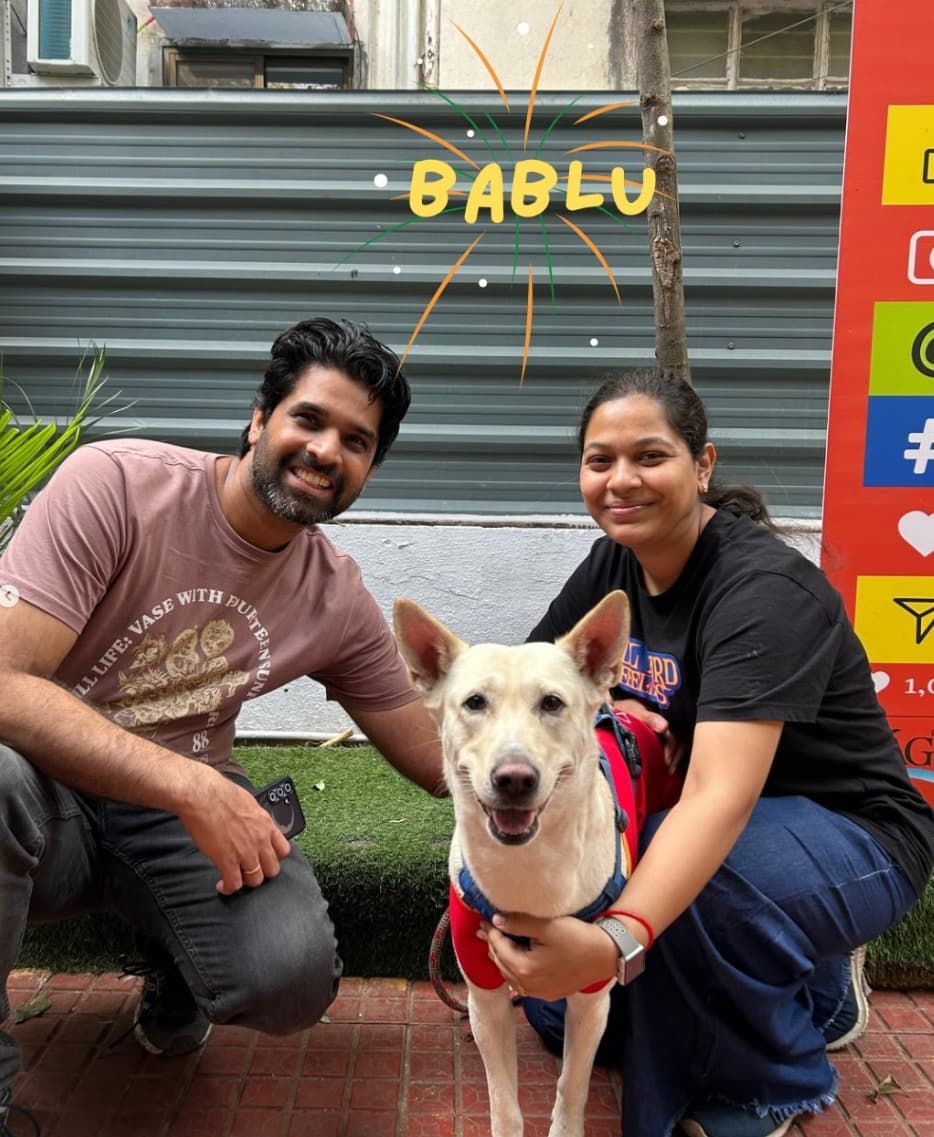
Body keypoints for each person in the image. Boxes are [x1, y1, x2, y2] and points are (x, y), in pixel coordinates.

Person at [0, 317, 443, 1136]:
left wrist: (570, 743)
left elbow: (435, 755)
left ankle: (176, 949)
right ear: (259, 418)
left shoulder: (334, 595)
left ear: (369, 470)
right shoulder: (117, 485)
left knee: (289, 973)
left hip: (167, 826)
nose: (325, 450)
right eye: (308, 419)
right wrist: (192, 784)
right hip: (41, 795)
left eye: (356, 441)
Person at [479, 369, 934, 1137]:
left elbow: (719, 797)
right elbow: (531, 689)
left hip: (854, 832)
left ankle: (776, 1075)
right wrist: (599, 706)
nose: (621, 479)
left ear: (702, 465)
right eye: (599, 460)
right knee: (564, 1016)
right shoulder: (613, 566)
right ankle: (808, 984)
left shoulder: (763, 590)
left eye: (649, 456)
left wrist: (611, 942)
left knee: (672, 899)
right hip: (726, 825)